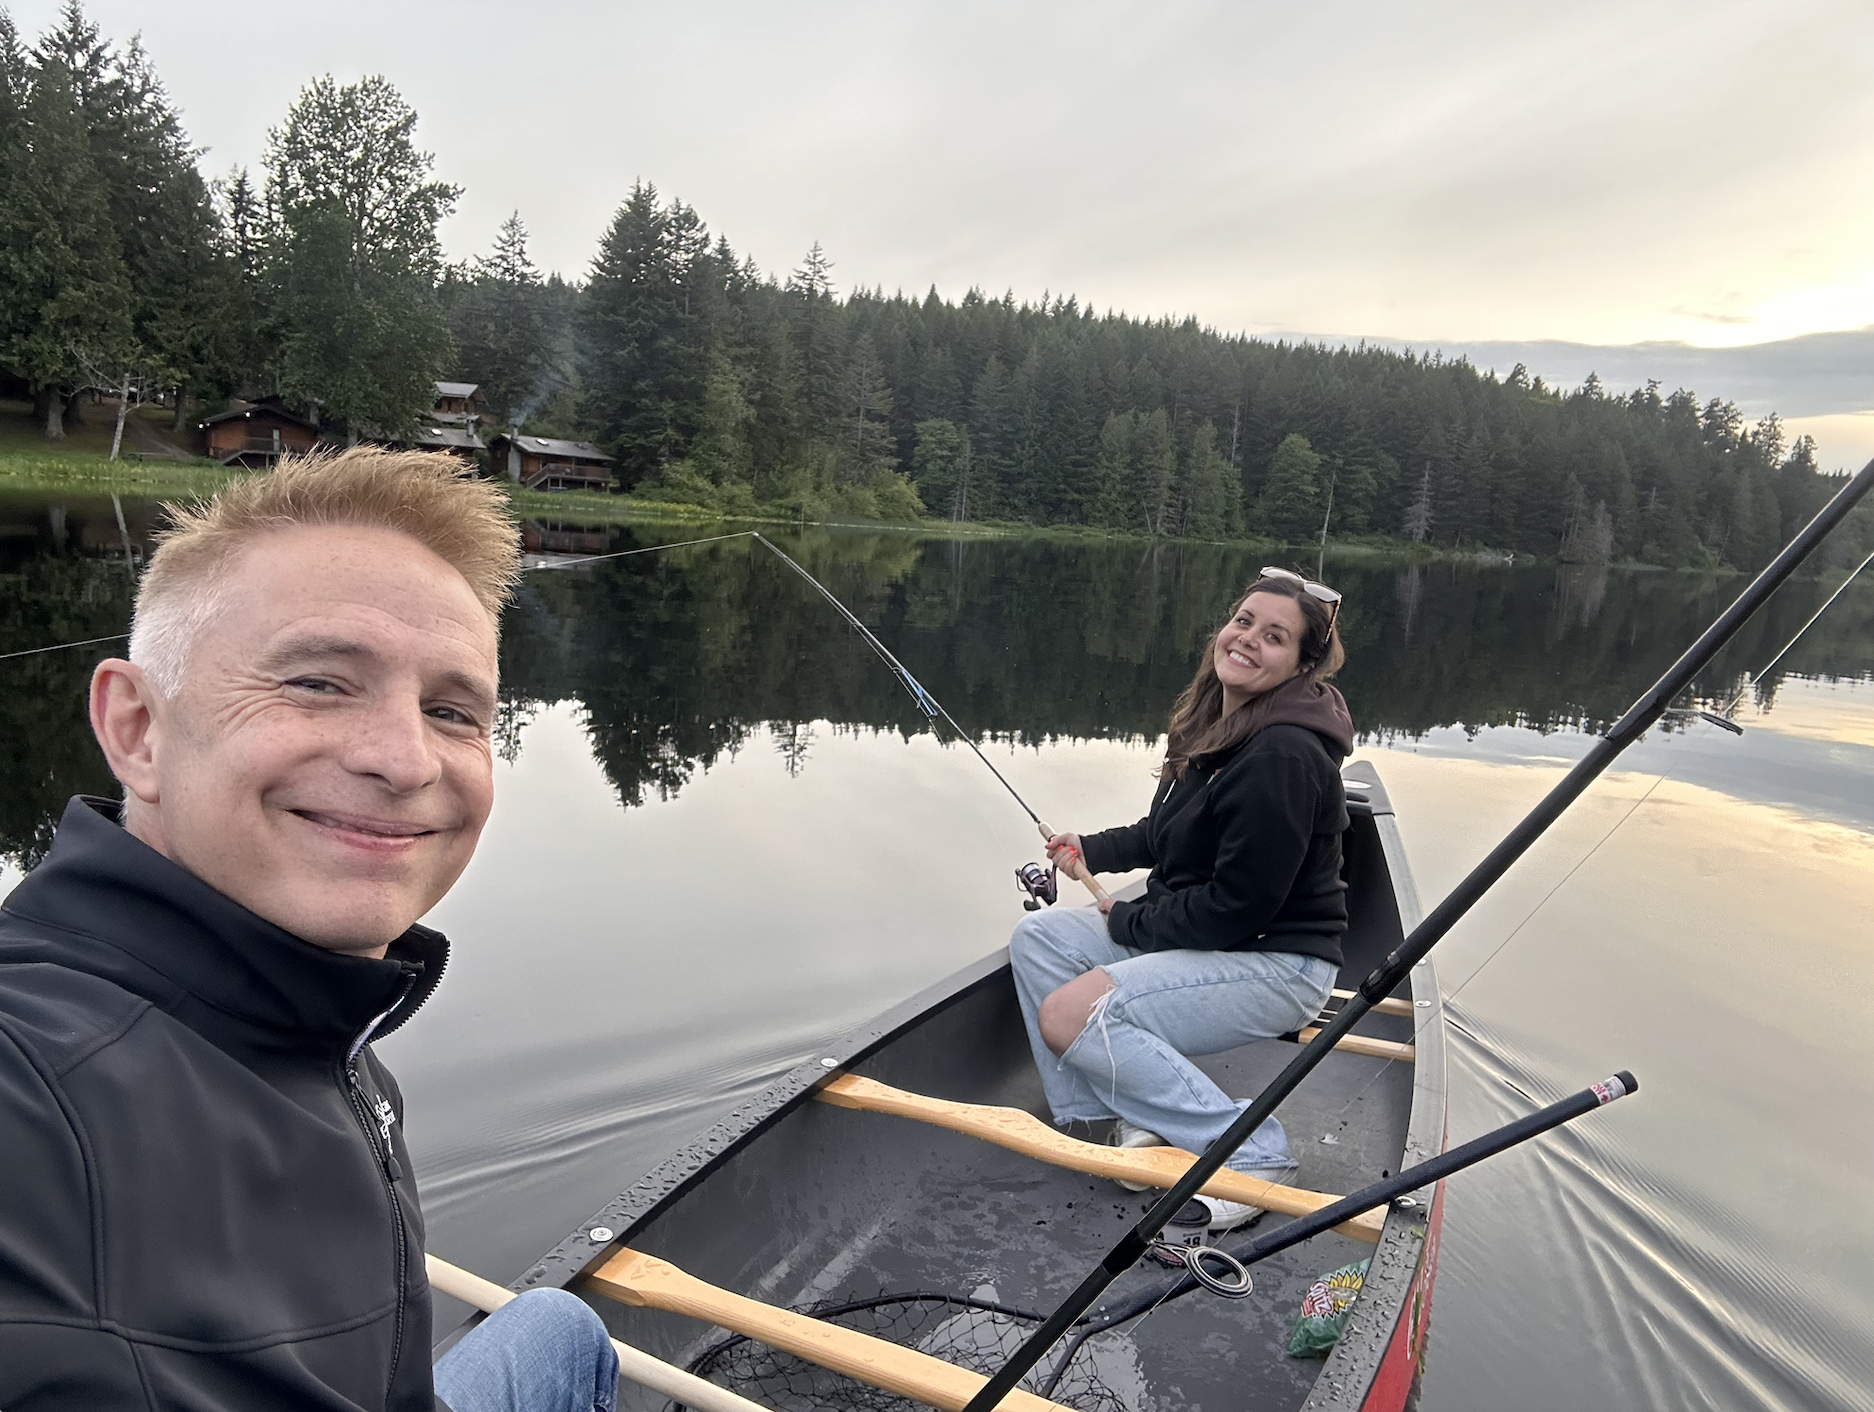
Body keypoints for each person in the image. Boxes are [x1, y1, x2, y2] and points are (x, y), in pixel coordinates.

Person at [0, 449, 618, 1412]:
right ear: (136, 729)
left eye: (452, 711)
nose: (406, 760)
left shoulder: (323, 1019)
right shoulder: (32, 1079)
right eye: (320, 683)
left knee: (560, 1330)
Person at [1009, 568, 1354, 1233]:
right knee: (1041, 939)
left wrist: (1129, 916)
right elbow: (1165, 835)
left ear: (1302, 665)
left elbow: (1241, 908)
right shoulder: (1216, 721)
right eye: (1245, 621)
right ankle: (1108, 1118)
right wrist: (1092, 850)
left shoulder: (1282, 755)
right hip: (1209, 936)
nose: (1249, 640)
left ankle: (1253, 1156)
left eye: (1275, 636)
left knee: (1072, 1014)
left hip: (1276, 964)